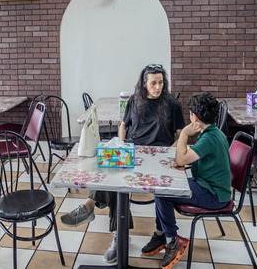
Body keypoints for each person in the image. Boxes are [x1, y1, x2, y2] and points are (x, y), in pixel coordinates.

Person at [61, 63, 185, 263]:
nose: (158, 87)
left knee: (152, 190)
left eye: (161, 82)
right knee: (113, 180)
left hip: (158, 156)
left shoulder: (172, 104)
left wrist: (168, 153)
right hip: (132, 151)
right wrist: (120, 143)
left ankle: (91, 207)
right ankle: (116, 234)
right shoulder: (135, 101)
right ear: (144, 84)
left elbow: (181, 135)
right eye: (153, 83)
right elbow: (123, 125)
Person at [140, 92, 232, 268]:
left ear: (194, 117)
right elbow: (192, 158)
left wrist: (183, 135)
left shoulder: (209, 138)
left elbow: (180, 160)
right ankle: (162, 234)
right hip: (211, 188)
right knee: (162, 189)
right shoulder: (214, 132)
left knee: (162, 191)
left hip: (214, 195)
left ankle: (171, 240)